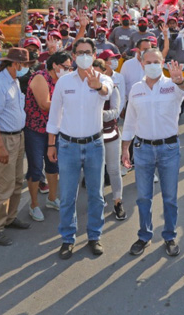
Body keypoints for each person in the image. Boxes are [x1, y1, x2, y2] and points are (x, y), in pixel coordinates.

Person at [46, 38, 113, 259]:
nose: (84, 56)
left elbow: (107, 92)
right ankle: (67, 238)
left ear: (94, 55)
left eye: (88, 52)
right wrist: (51, 143)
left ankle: (94, 236)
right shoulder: (64, 82)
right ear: (73, 56)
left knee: (96, 195)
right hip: (68, 145)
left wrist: (98, 86)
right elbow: (55, 114)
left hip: (94, 145)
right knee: (67, 196)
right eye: (80, 52)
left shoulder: (102, 78)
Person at [121, 54, 184, 256]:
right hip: (142, 149)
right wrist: (125, 148)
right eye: (148, 62)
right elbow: (130, 121)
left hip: (169, 149)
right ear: (142, 64)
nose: (152, 65)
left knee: (169, 197)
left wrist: (181, 80)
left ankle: (169, 235)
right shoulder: (136, 89)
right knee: (143, 197)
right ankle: (144, 236)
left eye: (156, 62)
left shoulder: (173, 85)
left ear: (162, 63)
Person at [0, 48, 32, 245]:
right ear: (15, 64)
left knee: (17, 181)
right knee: (4, 185)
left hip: (18, 136)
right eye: (25, 64)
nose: (26, 68)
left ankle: (9, 218)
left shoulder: (14, 80)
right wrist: (0, 147)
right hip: (4, 139)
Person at [24, 51, 69, 223]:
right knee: (36, 167)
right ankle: (34, 204)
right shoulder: (40, 77)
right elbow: (44, 104)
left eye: (70, 67)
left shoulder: (62, 81)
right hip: (35, 130)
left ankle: (52, 198)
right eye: (65, 67)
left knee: (53, 165)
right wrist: (69, 102)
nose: (68, 70)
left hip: (55, 130)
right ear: (55, 65)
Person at [92, 58, 125, 220]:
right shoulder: (85, 88)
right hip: (92, 136)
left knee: (113, 169)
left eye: (98, 72)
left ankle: (118, 201)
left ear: (104, 72)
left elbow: (115, 112)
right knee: (96, 171)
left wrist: (99, 114)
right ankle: (99, 200)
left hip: (110, 134)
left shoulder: (113, 88)